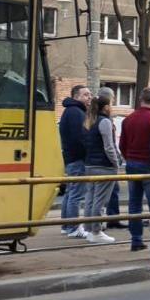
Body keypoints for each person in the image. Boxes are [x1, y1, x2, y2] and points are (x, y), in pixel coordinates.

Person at [81, 88, 124, 244]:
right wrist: (116, 163)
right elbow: (109, 146)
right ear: (106, 107)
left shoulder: (89, 120)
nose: (111, 107)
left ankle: (88, 229)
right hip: (104, 166)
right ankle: (96, 231)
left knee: (90, 199)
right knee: (99, 200)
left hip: (90, 164)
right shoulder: (104, 121)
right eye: (111, 104)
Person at [120, 87, 150, 251]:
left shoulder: (128, 119)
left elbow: (122, 145)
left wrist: (129, 157)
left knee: (134, 204)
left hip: (132, 164)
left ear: (140, 100)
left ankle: (136, 240)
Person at [58, 85, 92, 238]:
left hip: (71, 157)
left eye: (90, 94)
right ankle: (73, 227)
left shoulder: (70, 111)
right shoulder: (76, 113)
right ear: (76, 96)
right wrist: (87, 154)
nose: (89, 97)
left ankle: (66, 226)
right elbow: (81, 137)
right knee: (76, 194)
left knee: (71, 192)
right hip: (78, 158)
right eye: (86, 95)